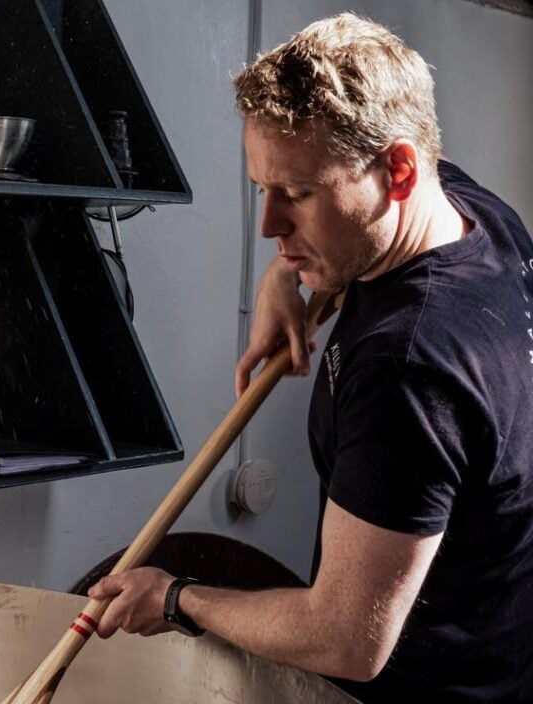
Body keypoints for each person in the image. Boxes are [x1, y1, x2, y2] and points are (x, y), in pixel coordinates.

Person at [88, 12, 533, 703]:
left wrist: (177, 598)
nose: (268, 225)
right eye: (261, 188)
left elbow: (345, 640)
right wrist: (289, 276)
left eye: (295, 195)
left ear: (399, 171)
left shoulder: (409, 370)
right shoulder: (477, 215)